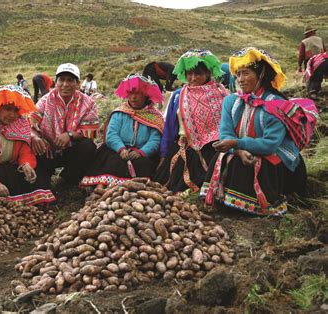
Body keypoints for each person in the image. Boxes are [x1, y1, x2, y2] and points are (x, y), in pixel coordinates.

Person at [200, 47, 307, 216]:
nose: (240, 79)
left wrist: (237, 143)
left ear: (261, 75)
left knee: (252, 163)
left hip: (274, 157)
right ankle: (223, 201)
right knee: (225, 157)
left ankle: (253, 207)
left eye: (246, 73)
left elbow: (269, 145)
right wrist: (238, 149)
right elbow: (226, 133)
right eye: (238, 74)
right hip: (243, 149)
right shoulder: (231, 101)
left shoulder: (276, 106)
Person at [153, 49, 228, 193]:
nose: (193, 78)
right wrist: (163, 156)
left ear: (207, 73)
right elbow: (169, 128)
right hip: (183, 148)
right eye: (189, 73)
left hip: (211, 150)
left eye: (198, 73)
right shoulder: (178, 96)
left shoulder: (220, 94)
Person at [80, 74, 164, 189]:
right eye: (130, 93)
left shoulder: (155, 117)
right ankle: (102, 189)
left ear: (145, 95)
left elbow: (155, 139)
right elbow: (111, 134)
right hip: (117, 150)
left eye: (137, 94)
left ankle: (136, 191)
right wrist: (121, 149)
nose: (133, 97)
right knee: (112, 161)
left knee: (144, 165)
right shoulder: (119, 113)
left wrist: (142, 152)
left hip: (142, 154)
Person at [30, 63, 99, 187]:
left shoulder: (88, 103)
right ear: (56, 83)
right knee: (34, 146)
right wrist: (35, 137)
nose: (65, 84)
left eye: (70, 80)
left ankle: (67, 179)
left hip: (72, 151)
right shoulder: (45, 101)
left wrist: (70, 135)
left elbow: (91, 129)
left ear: (78, 84)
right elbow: (31, 124)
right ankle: (44, 182)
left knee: (88, 146)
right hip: (48, 150)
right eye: (61, 80)